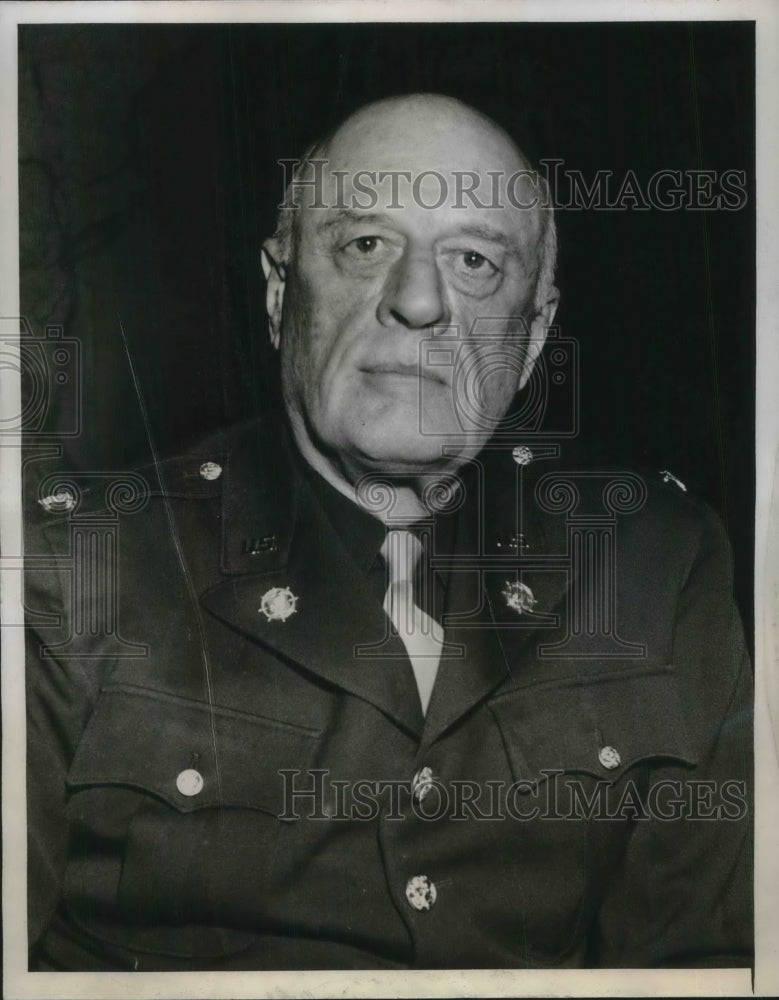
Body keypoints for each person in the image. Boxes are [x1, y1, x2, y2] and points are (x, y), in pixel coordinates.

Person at [24, 93, 752, 970]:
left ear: (530, 340)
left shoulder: (651, 558)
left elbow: (699, 967)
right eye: (366, 244)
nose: (417, 302)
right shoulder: (76, 566)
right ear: (279, 288)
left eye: (476, 260)